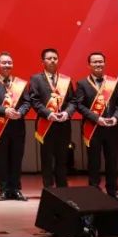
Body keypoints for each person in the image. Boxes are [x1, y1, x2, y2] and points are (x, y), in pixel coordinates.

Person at [73, 52, 118, 202]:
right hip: (92, 128)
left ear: (104, 63)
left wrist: (115, 118)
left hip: (112, 128)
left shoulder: (112, 82)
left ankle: (113, 191)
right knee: (94, 162)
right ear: (89, 65)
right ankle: (94, 190)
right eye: (95, 62)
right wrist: (97, 118)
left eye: (101, 61)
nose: (98, 64)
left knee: (112, 161)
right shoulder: (82, 84)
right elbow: (79, 106)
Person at [0, 52, 31, 201]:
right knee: (1, 159)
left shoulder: (20, 84)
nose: (7, 65)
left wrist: (20, 112)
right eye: (4, 63)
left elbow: (27, 102)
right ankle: (3, 190)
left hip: (17, 126)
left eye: (9, 62)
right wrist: (4, 110)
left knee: (16, 158)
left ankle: (16, 189)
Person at [29, 48, 76, 189]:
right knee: (47, 159)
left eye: (55, 58)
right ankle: (48, 189)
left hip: (63, 124)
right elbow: (34, 100)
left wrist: (67, 113)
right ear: (43, 61)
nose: (52, 61)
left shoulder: (65, 80)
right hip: (45, 123)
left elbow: (73, 101)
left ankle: (63, 189)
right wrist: (48, 113)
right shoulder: (36, 79)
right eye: (49, 58)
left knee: (62, 159)